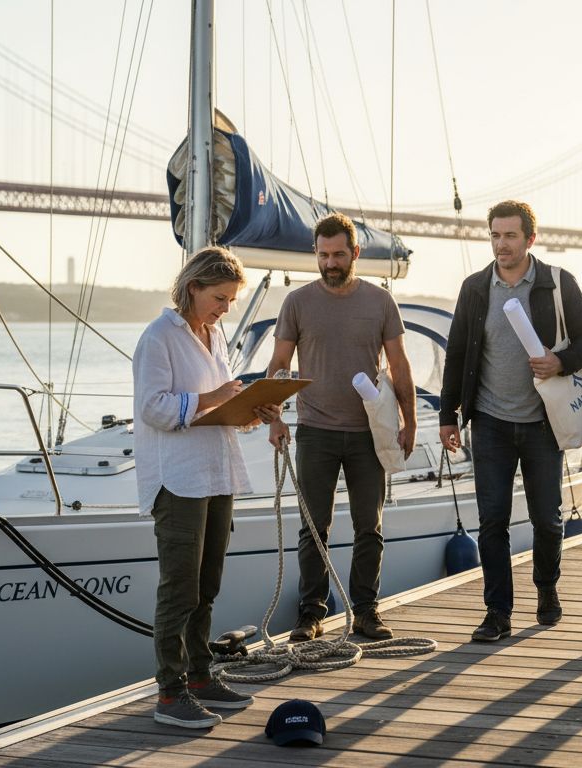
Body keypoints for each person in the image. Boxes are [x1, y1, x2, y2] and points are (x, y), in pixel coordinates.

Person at [438, 200, 582, 642]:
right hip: (489, 422)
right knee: (492, 520)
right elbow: (457, 354)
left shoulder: (555, 283)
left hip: (542, 422)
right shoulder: (475, 288)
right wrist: (448, 415)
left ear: (530, 239)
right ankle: (498, 613)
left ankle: (546, 589)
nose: (501, 244)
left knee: (547, 520)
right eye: (495, 234)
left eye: (510, 235)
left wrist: (559, 361)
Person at [133, 247, 274, 729]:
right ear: (193, 287)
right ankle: (169, 695)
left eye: (232, 300)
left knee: (207, 586)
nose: (225, 309)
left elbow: (214, 409)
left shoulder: (212, 335)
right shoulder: (158, 338)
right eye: (220, 298)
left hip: (216, 474)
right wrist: (217, 397)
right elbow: (153, 408)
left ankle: (199, 676)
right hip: (178, 480)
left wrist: (251, 410)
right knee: (180, 590)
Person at [264, 212, 416, 643]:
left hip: (370, 431)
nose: (330, 263)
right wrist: (274, 418)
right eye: (323, 255)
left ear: (355, 253)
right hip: (315, 431)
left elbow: (400, 365)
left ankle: (366, 611)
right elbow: (279, 366)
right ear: (315, 254)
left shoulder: (380, 302)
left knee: (370, 526)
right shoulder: (297, 303)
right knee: (314, 527)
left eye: (338, 255)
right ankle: (311, 614)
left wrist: (407, 420)